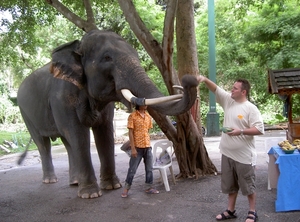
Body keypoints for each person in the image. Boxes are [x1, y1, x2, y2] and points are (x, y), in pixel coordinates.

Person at [197, 75, 264, 222]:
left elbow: (259, 129)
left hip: (244, 156)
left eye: (235, 88)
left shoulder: (251, 108)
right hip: (227, 153)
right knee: (230, 186)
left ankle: (252, 212)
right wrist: (203, 79)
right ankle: (230, 210)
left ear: (243, 92)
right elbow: (215, 89)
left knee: (248, 186)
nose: (231, 90)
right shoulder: (229, 101)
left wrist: (240, 131)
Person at [121, 105, 159, 198]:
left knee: (149, 169)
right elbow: (130, 132)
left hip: (147, 146)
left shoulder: (148, 116)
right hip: (137, 148)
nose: (146, 105)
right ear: (138, 104)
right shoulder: (132, 116)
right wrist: (133, 148)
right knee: (132, 169)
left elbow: (147, 130)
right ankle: (126, 189)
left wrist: (147, 144)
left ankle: (148, 187)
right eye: (144, 103)